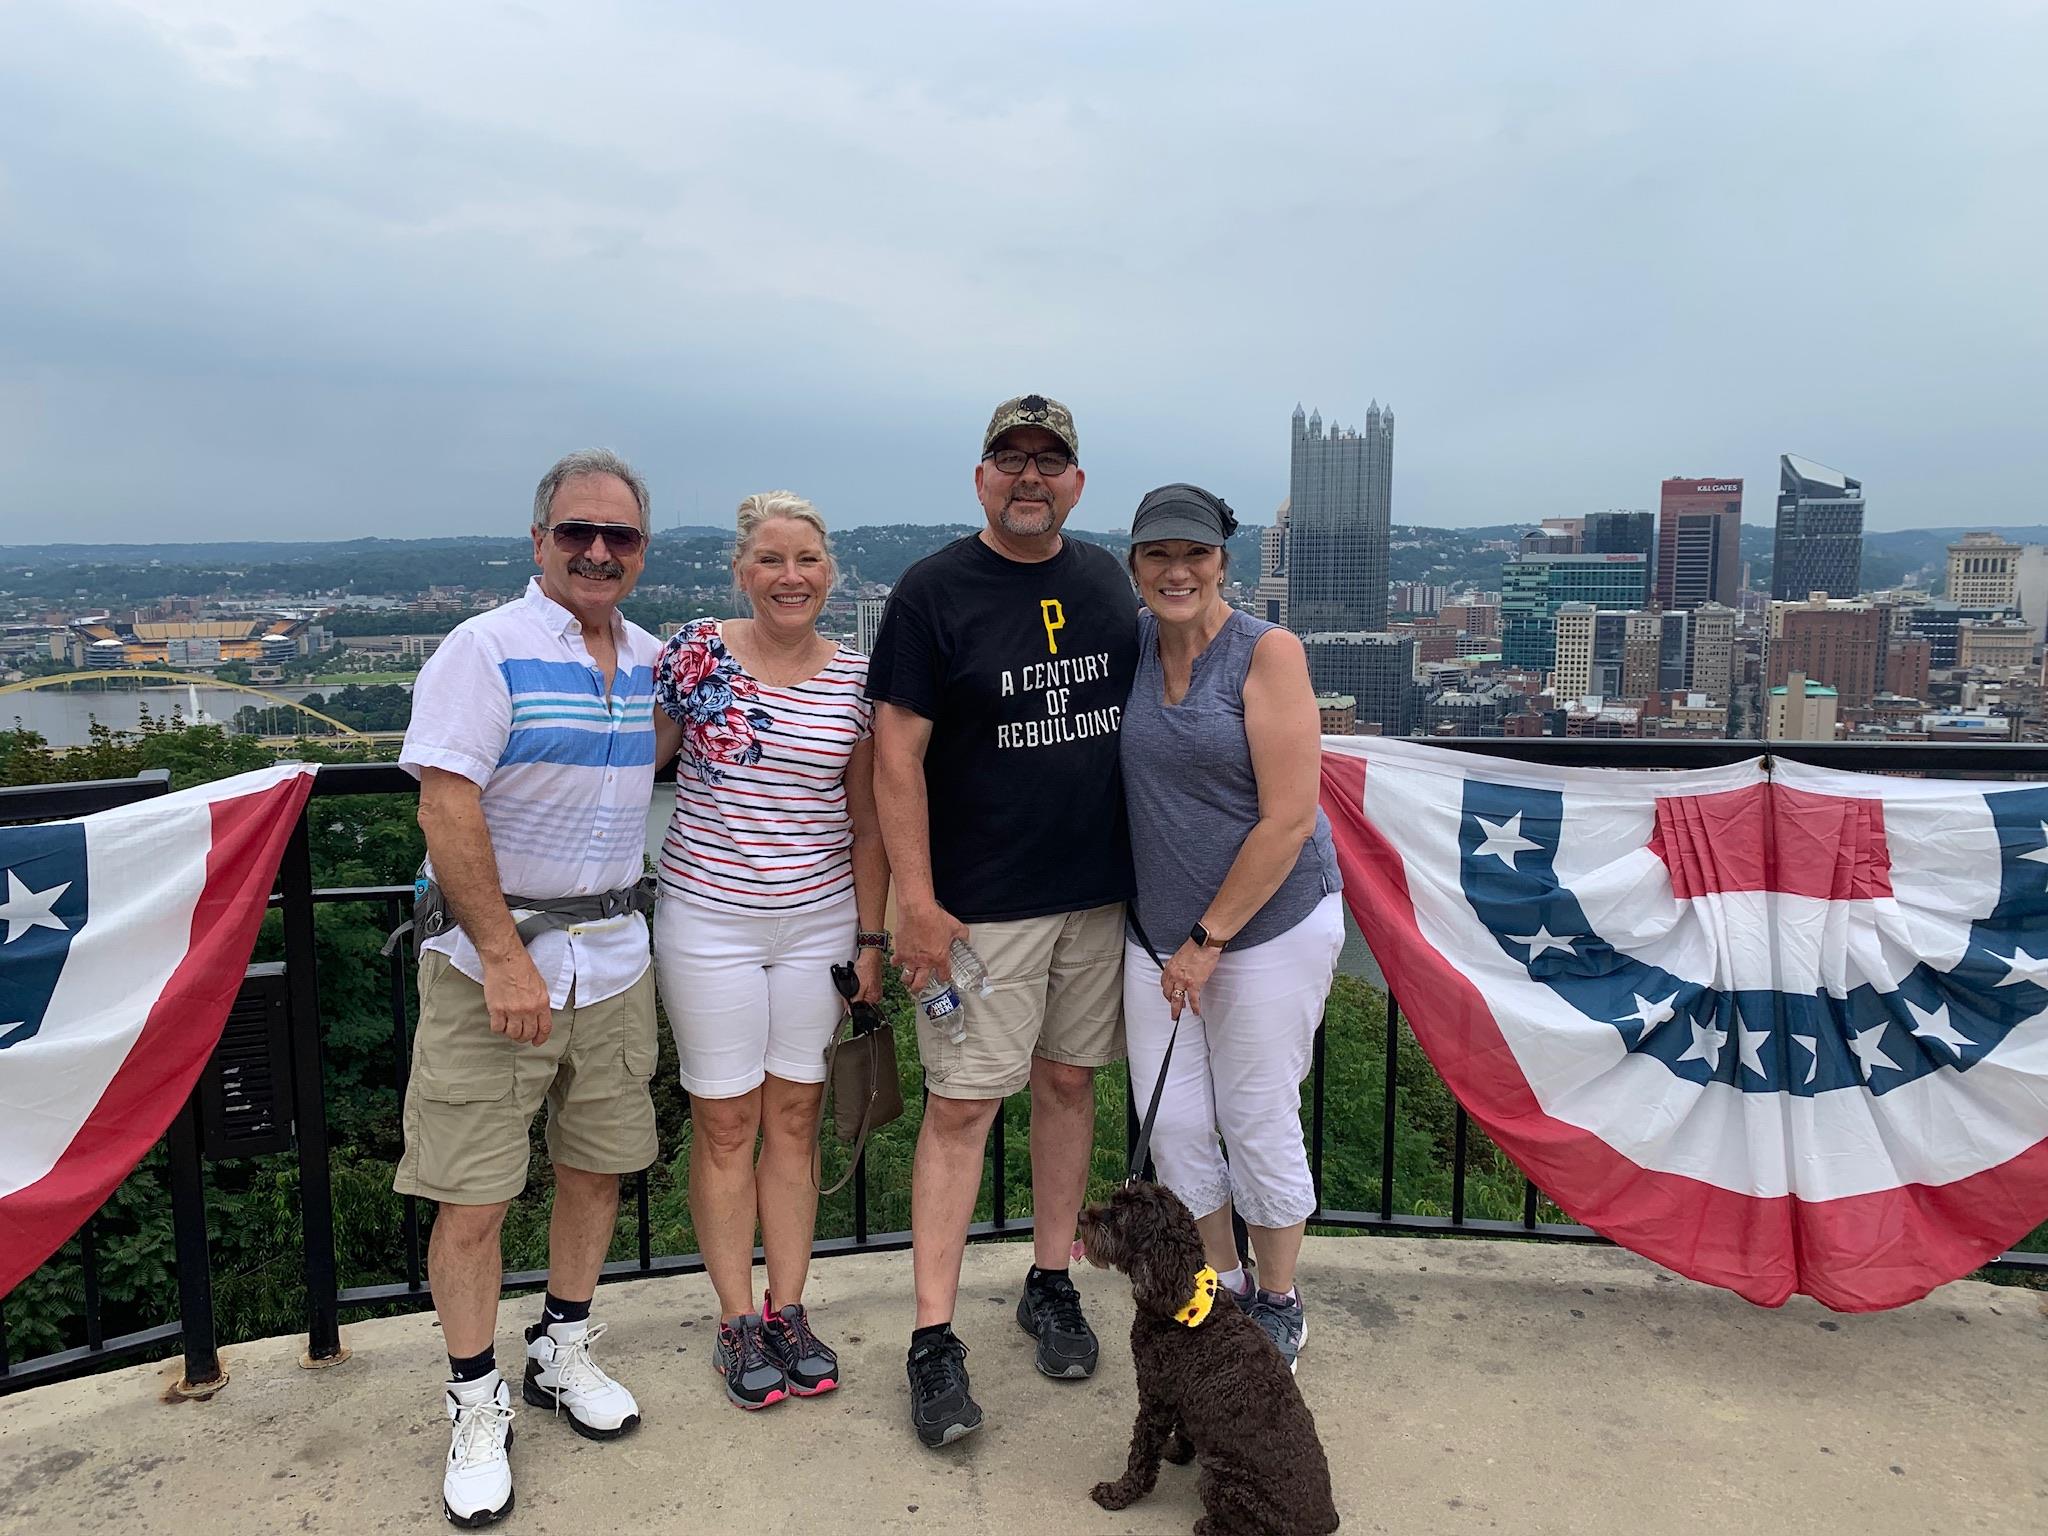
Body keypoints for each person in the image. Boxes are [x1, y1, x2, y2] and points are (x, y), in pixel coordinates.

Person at [866, 393, 1140, 1448]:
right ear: (980, 476)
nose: (1029, 476)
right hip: (980, 913)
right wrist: (915, 904)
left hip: (1096, 895)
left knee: (1068, 1085)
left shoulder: (1106, 578)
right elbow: (895, 757)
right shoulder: (934, 589)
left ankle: (1049, 1277)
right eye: (1008, 458)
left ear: (1076, 480)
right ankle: (932, 1338)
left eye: (1049, 460)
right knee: (962, 1110)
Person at [395, 449, 662, 1528]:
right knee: (474, 1195)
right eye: (576, 532)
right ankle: (473, 1396)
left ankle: (560, 1343)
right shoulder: (484, 649)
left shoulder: (647, 658)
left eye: (620, 537)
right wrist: (504, 955)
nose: (597, 551)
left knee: (595, 1168)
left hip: (613, 961)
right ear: (540, 539)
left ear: (641, 551)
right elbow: (447, 809)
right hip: (490, 969)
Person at [650, 491, 888, 1410]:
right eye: (772, 561)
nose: (791, 578)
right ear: (742, 571)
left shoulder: (857, 680)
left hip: (818, 922)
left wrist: (872, 938)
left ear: (830, 573)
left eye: (808, 562)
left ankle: (789, 1308)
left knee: (795, 1119)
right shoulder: (697, 655)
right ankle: (734, 1318)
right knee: (725, 1123)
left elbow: (866, 824)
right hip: (709, 918)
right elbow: (639, 761)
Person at [1117, 482, 1344, 1374]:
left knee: (1254, 1115)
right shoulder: (1130, 647)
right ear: (1134, 564)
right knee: (1172, 1127)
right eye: (1157, 555)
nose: (1177, 571)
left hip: (1265, 927)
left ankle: (1281, 1298)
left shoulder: (1267, 652)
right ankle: (1222, 1285)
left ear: (1223, 561)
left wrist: (1207, 943)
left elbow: (1289, 818)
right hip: (1155, 932)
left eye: (1195, 554)